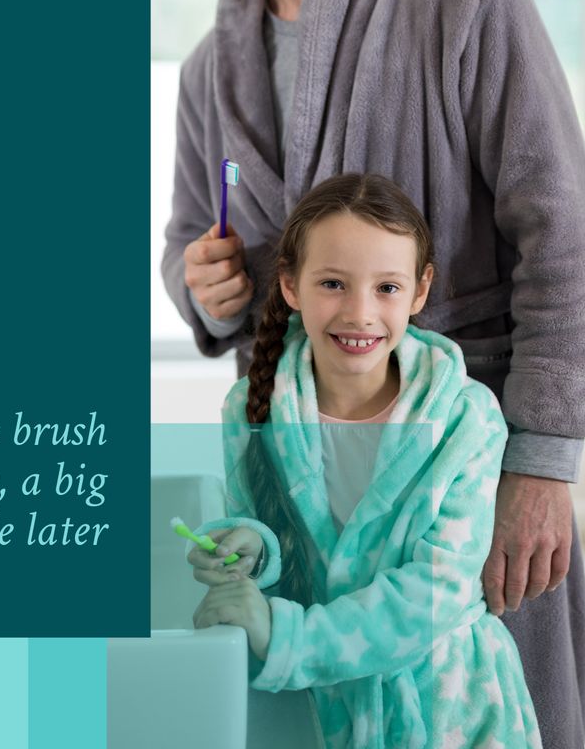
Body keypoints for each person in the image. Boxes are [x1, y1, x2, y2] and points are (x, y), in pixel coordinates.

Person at [162, 0, 585, 747]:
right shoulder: (211, 72)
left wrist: (541, 460)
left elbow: (564, 234)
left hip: (464, 459)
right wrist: (198, 282)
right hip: (309, 475)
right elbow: (188, 246)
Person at [189, 173, 540, 748]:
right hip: (319, 716)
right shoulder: (249, 410)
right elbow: (272, 543)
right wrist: (251, 552)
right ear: (291, 286)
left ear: (420, 291)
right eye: (332, 282)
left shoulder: (466, 419)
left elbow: (438, 590)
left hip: (451, 709)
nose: (359, 313)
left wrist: (287, 637)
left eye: (387, 288)